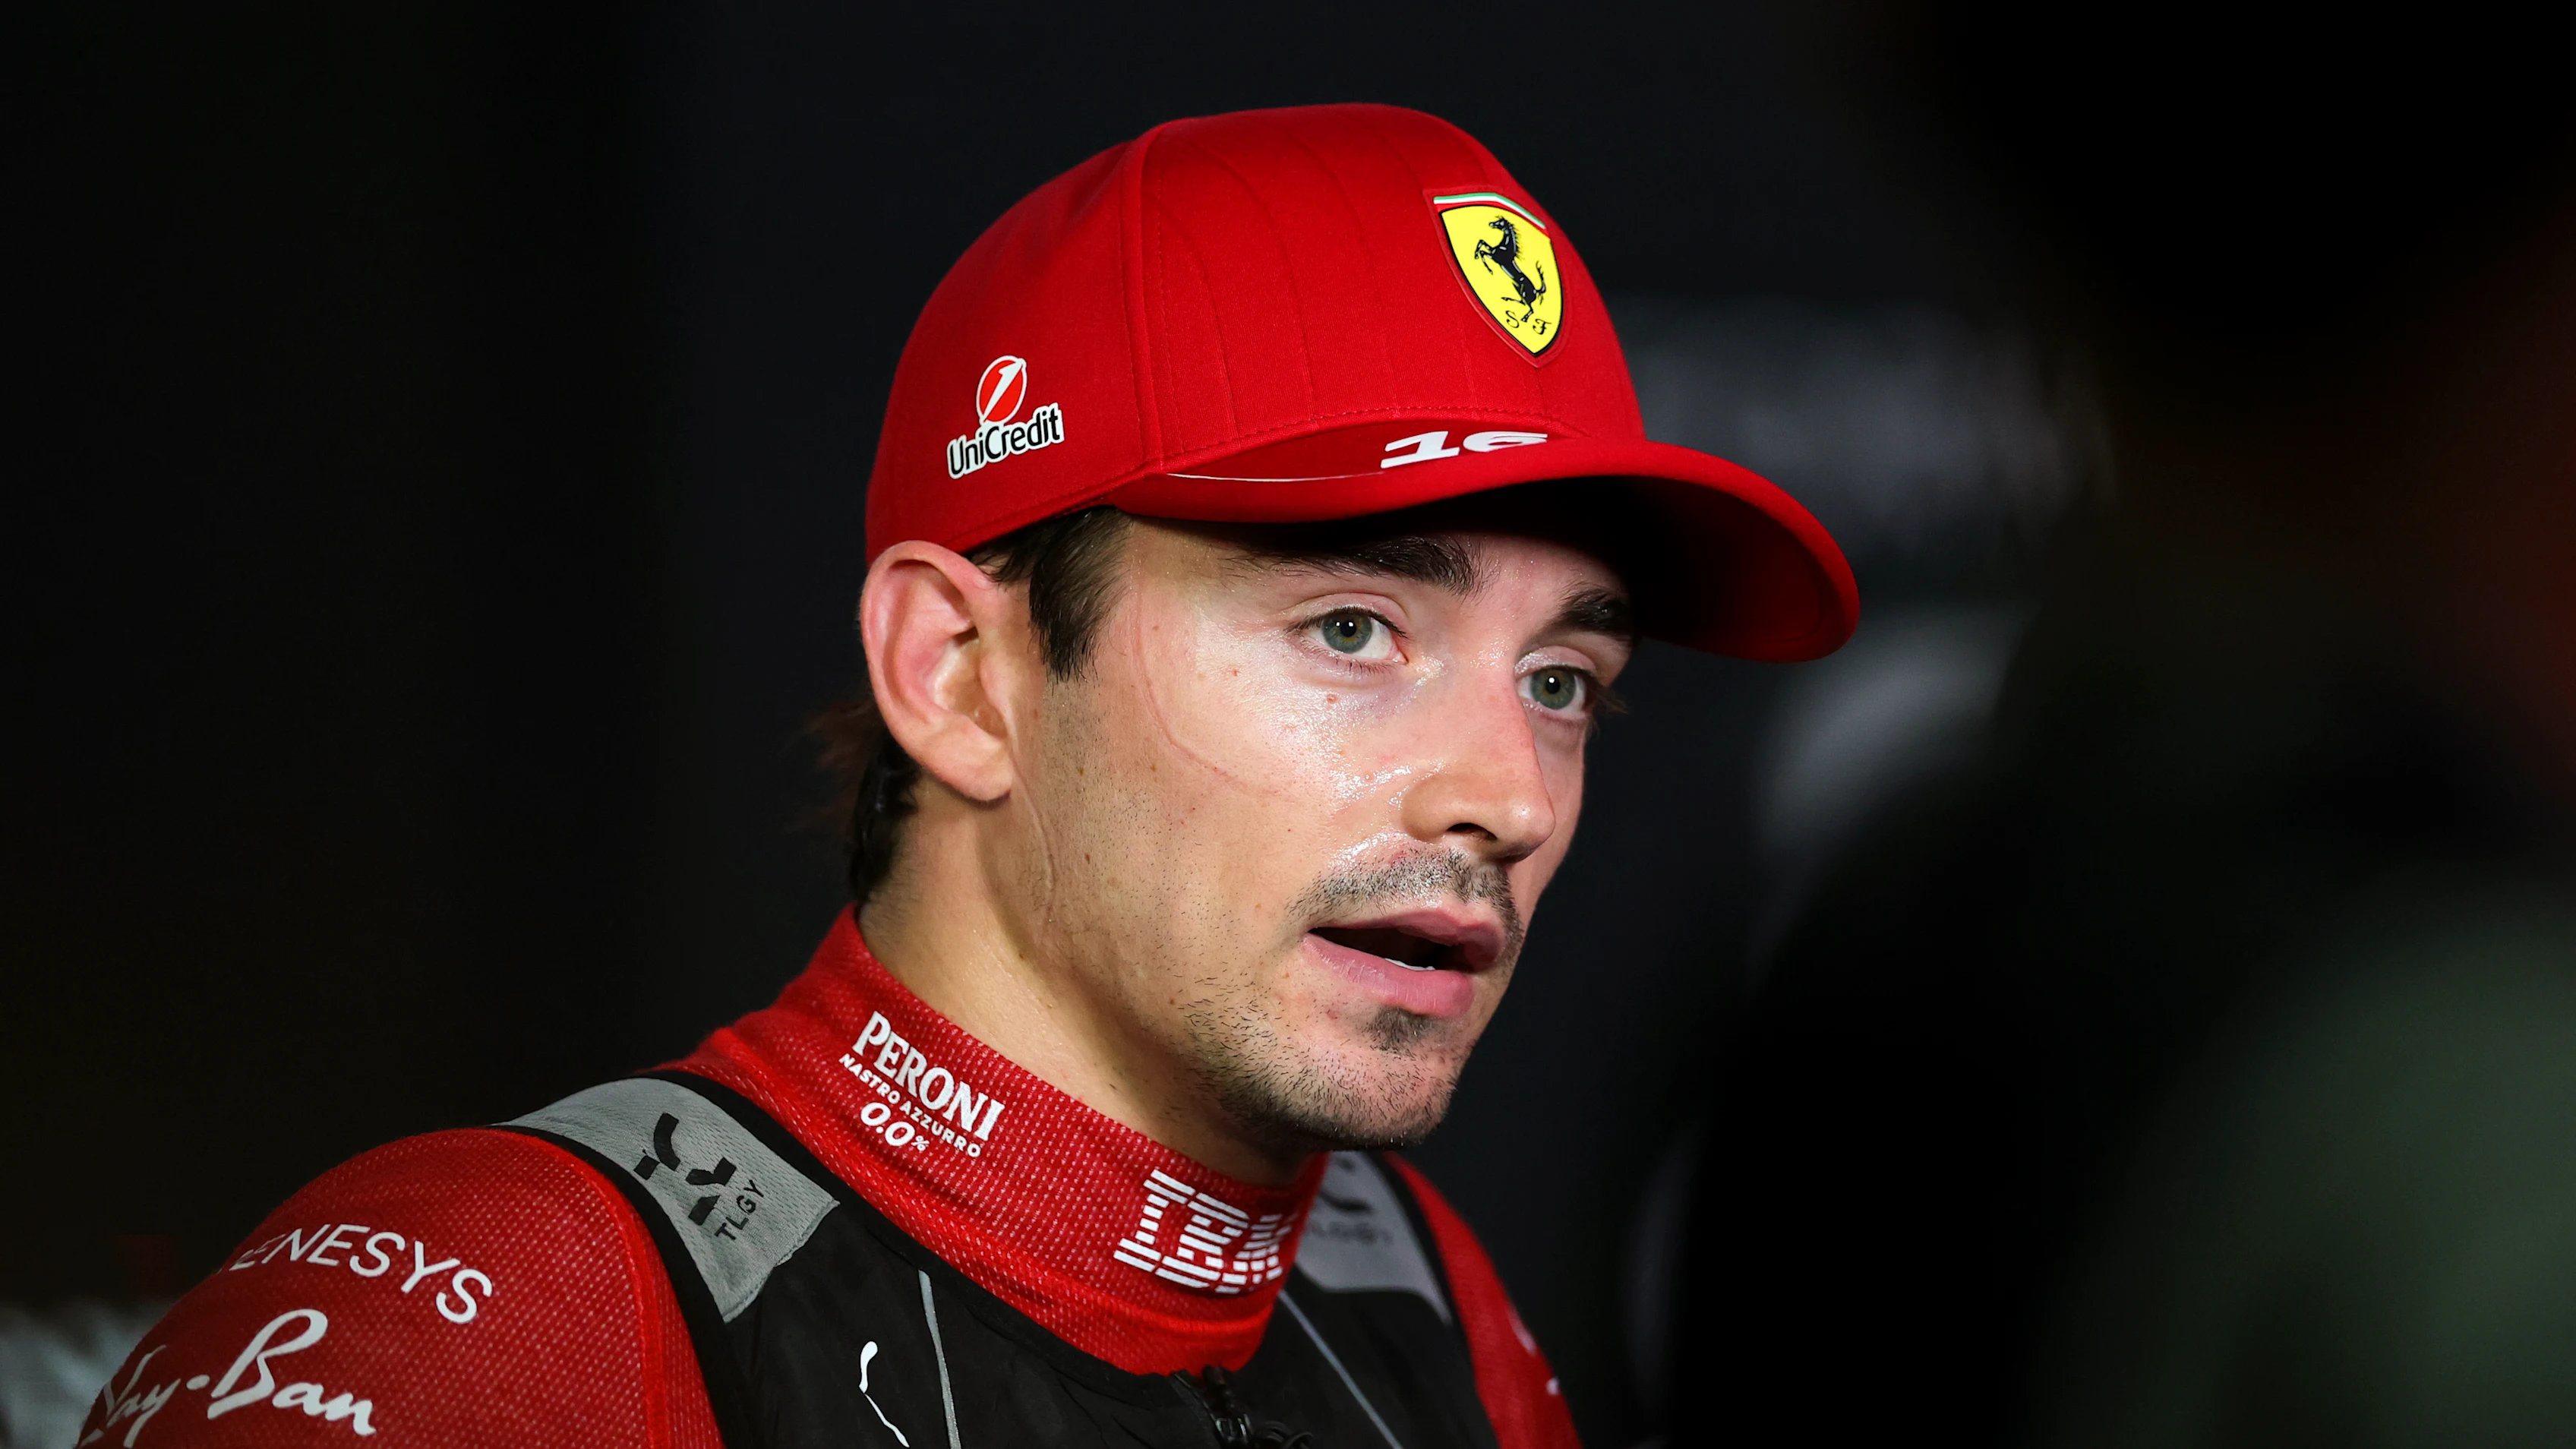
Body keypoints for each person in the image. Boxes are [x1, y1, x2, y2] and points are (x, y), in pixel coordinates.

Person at [79, 104, 1853, 1449]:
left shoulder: (1415, 1297)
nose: (1510, 799)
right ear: (957, 674)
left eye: (1563, 679)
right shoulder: (498, 1324)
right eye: (1350, 630)